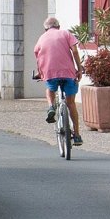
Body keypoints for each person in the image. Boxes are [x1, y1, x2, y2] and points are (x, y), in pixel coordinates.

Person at [34, 16, 84, 145]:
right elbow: (75, 51)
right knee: (71, 103)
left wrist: (40, 72)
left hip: (50, 72)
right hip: (68, 72)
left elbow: (37, 55)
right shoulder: (65, 33)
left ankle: (51, 106)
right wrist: (79, 68)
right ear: (58, 26)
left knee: (50, 89)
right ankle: (77, 135)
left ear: (46, 29)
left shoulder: (42, 38)